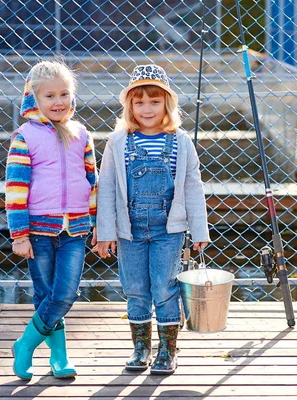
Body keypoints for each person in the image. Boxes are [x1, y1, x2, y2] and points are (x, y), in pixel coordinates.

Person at [95, 64, 209, 375]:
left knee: (164, 286)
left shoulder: (180, 141)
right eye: (140, 102)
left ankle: (167, 349)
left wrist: (199, 229)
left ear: (167, 104)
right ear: (129, 105)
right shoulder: (118, 142)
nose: (147, 109)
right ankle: (140, 345)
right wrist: (105, 231)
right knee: (134, 287)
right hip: (129, 229)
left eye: (155, 102)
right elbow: (106, 187)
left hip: (167, 229)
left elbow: (192, 185)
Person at [5, 59, 98, 380]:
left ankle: (26, 344)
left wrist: (98, 224)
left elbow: (92, 182)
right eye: (50, 96)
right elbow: (16, 190)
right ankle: (59, 357)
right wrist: (20, 235)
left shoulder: (82, 134)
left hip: (76, 230)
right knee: (46, 295)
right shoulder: (25, 136)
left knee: (65, 293)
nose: (58, 102)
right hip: (38, 232)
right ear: (34, 99)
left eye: (64, 94)